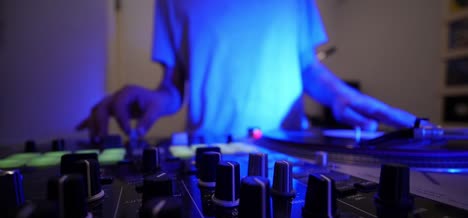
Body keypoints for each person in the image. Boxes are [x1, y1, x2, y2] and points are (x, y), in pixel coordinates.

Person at [77, 0, 417, 141]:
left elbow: (306, 67)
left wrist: (342, 96)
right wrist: (155, 97)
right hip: (207, 155)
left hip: (289, 155)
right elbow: (174, 86)